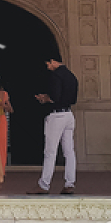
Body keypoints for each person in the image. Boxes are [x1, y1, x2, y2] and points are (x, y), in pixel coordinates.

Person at [30, 55, 79, 196]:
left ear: (53, 61)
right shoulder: (71, 76)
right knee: (69, 152)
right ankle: (70, 183)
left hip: (57, 116)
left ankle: (44, 185)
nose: (48, 67)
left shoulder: (56, 75)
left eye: (48, 63)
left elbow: (55, 97)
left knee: (50, 152)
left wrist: (45, 98)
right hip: (69, 115)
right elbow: (73, 99)